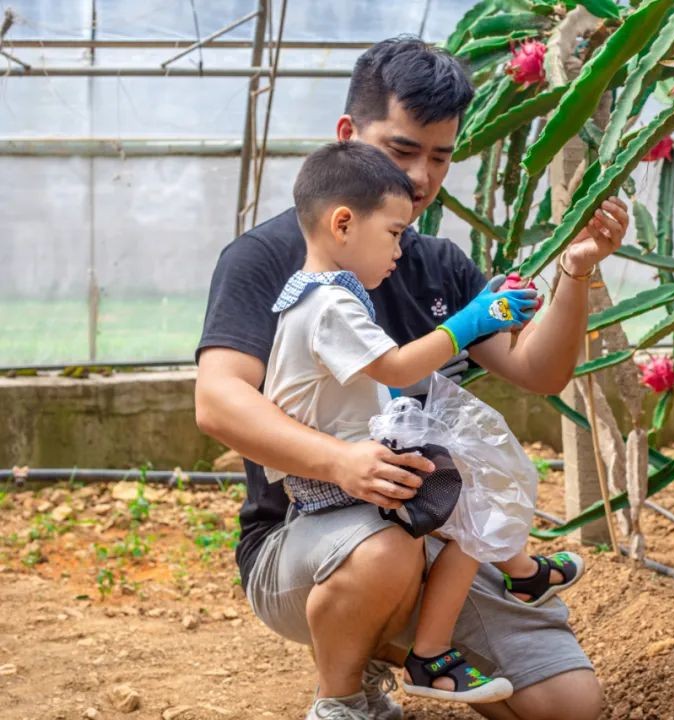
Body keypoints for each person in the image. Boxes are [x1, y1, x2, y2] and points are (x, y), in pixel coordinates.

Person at [195, 36, 629, 720]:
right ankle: (347, 695)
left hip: (422, 526)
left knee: (569, 705)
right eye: (402, 152)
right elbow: (218, 404)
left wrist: (576, 271)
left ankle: (407, 641)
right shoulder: (266, 259)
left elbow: (538, 371)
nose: (423, 178)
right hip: (307, 538)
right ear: (348, 137)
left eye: (441, 156)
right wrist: (342, 462)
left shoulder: (435, 261)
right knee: (386, 551)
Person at [263, 141, 585, 711]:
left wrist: (485, 310)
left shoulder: (312, 296)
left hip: (342, 478)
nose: (399, 247)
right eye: (392, 233)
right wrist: (470, 323)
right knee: (466, 495)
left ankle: (522, 572)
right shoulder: (331, 304)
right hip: (336, 489)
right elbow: (398, 367)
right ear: (343, 224)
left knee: (465, 494)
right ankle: (433, 650)